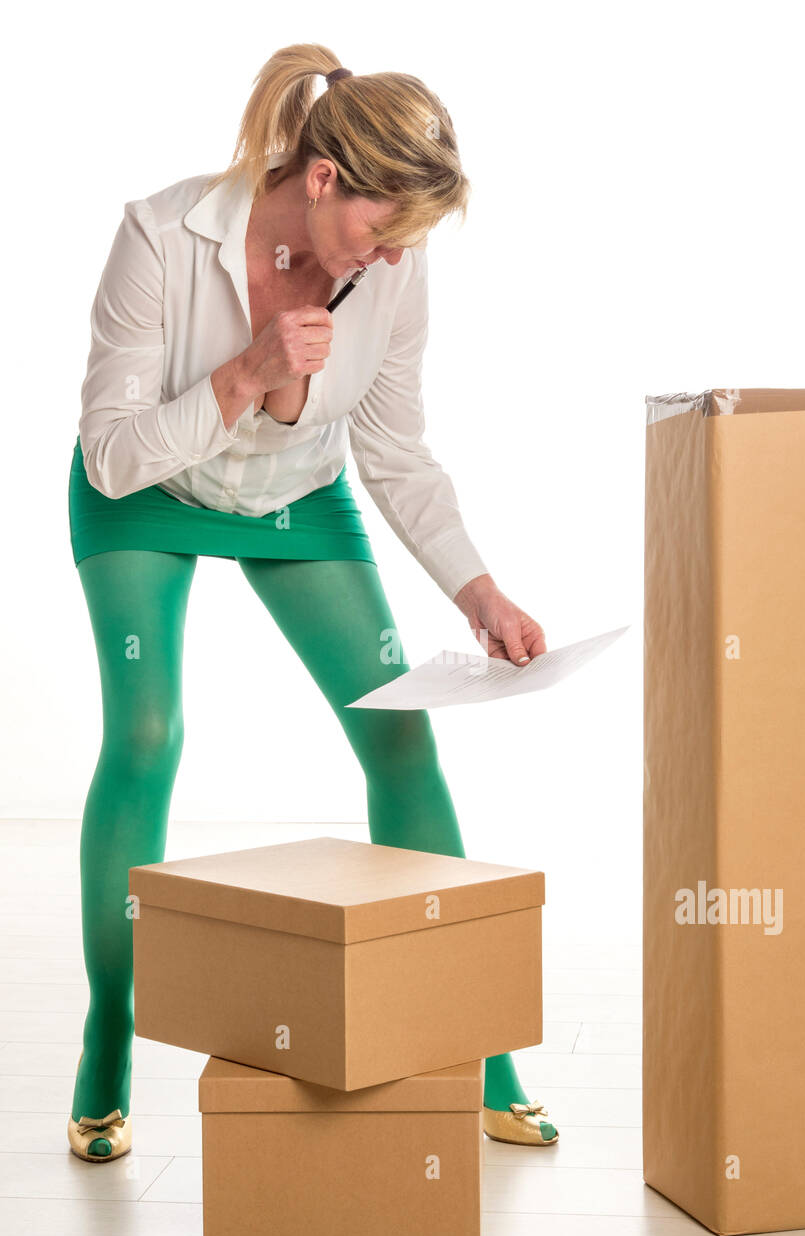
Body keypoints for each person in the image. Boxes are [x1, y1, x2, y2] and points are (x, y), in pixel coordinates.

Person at [67, 42, 557, 1163]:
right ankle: (109, 1030)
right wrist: (243, 374)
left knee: (399, 735)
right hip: (148, 489)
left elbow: (391, 444)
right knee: (146, 732)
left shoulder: (394, 264)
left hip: (296, 492)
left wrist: (477, 590)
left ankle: (480, 1050)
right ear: (326, 179)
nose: (391, 257)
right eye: (382, 229)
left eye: (410, 241)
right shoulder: (161, 234)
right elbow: (107, 452)